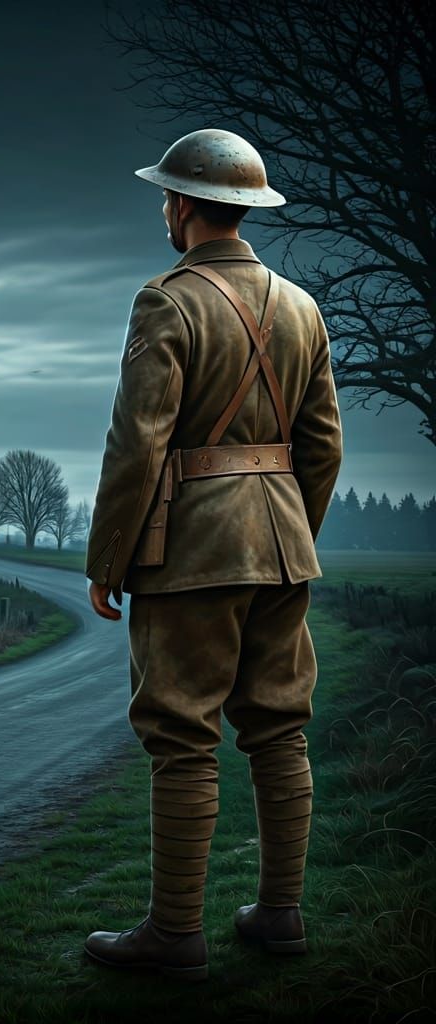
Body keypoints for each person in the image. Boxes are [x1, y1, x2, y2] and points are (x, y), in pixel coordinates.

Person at [82, 128, 343, 981]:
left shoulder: (166, 300)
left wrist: (109, 558)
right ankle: (279, 916)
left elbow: (137, 443)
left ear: (188, 205)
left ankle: (175, 934)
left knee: (181, 733)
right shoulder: (304, 308)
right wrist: (289, 532)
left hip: (191, 547)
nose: (164, 208)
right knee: (279, 727)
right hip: (283, 544)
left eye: (167, 195)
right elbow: (323, 446)